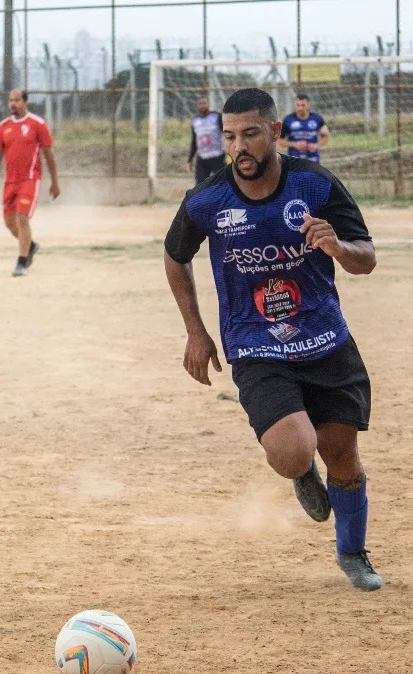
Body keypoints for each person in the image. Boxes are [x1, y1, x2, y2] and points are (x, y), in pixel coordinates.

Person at [163, 88, 382, 591]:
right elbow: (175, 256)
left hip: (325, 338)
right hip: (255, 343)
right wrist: (196, 331)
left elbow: (366, 256)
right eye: (230, 136)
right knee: (292, 450)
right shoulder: (207, 199)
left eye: (251, 135)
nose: (239, 147)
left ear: (275, 133)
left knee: (341, 452)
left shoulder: (315, 184)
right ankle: (300, 469)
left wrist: (338, 246)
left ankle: (353, 555)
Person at [0, 89, 61, 277]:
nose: (13, 104)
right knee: (9, 222)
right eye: (10, 100)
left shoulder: (37, 124)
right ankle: (30, 246)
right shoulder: (3, 126)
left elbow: (49, 156)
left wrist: (55, 182)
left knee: (22, 218)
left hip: (30, 179)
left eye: (17, 100)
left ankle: (22, 263)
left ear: (25, 102)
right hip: (11, 181)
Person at [277, 92, 330, 163]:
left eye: (303, 105)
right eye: (297, 105)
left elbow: (326, 136)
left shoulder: (317, 119)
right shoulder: (288, 120)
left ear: (308, 105)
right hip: (294, 161)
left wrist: (316, 145)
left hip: (313, 160)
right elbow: (279, 140)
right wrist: (294, 144)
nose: (300, 108)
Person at [188, 96, 227, 185]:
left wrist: (229, 153)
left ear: (208, 104)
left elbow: (226, 134)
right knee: (200, 185)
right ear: (197, 106)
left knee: (222, 183)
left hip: (217, 156)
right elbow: (194, 141)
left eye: (204, 103)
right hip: (202, 158)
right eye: (200, 104)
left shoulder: (216, 116)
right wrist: (190, 158)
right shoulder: (195, 120)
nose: (202, 106)